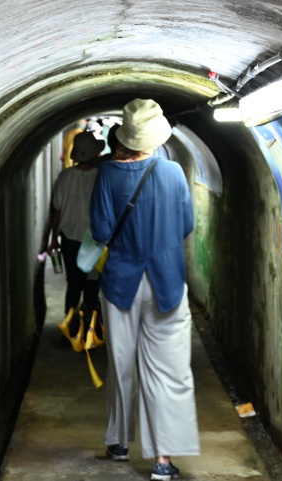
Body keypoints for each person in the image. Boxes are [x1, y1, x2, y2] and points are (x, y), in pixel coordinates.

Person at [89, 99, 199, 481]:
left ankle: (119, 442)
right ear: (155, 138)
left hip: (121, 282)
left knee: (121, 364)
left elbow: (102, 232)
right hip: (167, 282)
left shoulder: (106, 175)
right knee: (168, 370)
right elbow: (186, 225)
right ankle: (162, 462)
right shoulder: (173, 173)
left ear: (122, 138)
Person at [46, 130, 105, 337]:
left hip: (69, 241)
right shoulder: (100, 178)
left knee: (73, 285)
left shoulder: (65, 177)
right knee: (91, 285)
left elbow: (56, 210)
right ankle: (89, 329)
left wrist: (54, 239)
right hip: (94, 243)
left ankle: (69, 328)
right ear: (95, 155)